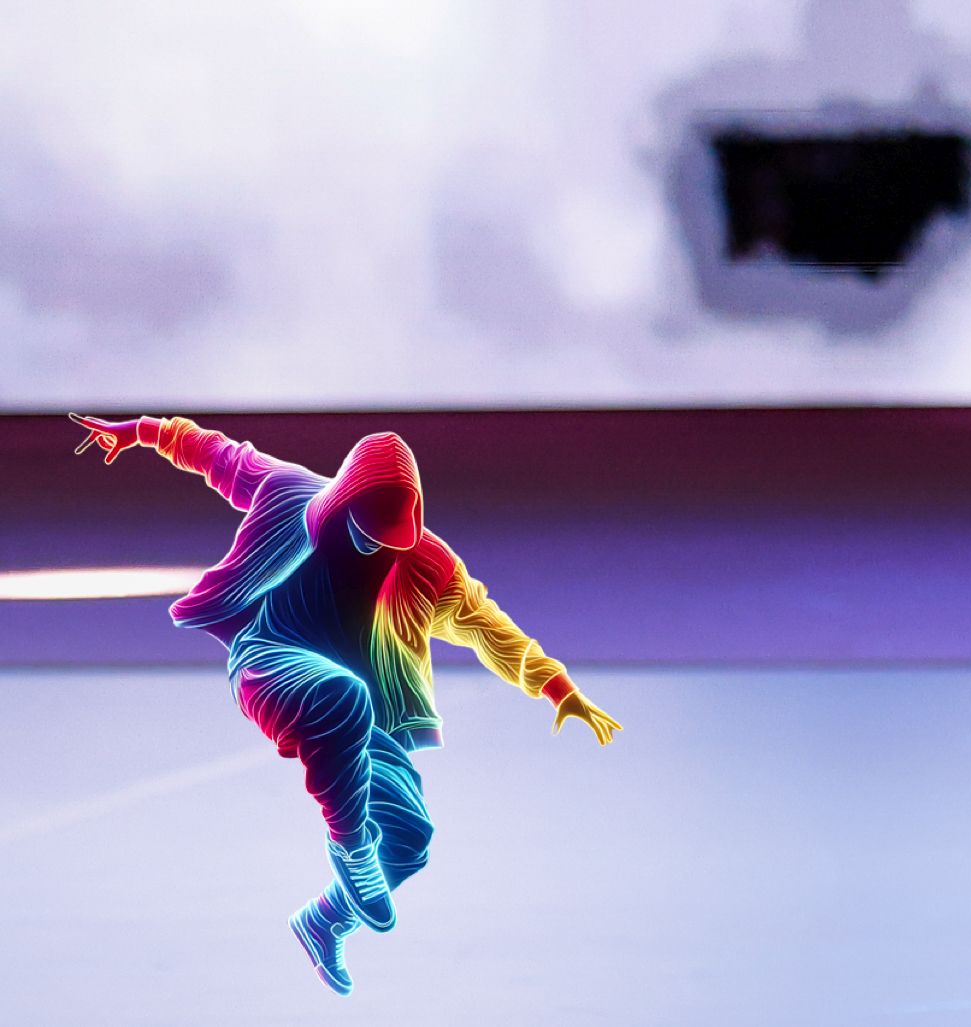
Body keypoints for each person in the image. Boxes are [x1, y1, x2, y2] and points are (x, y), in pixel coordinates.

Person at [69, 414, 621, 994]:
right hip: (270, 661)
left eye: (393, 537)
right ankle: (351, 849)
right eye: (368, 530)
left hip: (368, 713)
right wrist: (143, 431)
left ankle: (324, 921)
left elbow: (487, 626)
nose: (378, 545)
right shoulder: (286, 493)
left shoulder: (429, 564)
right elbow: (217, 453)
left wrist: (557, 687)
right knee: (341, 695)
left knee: (408, 843)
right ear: (344, 500)